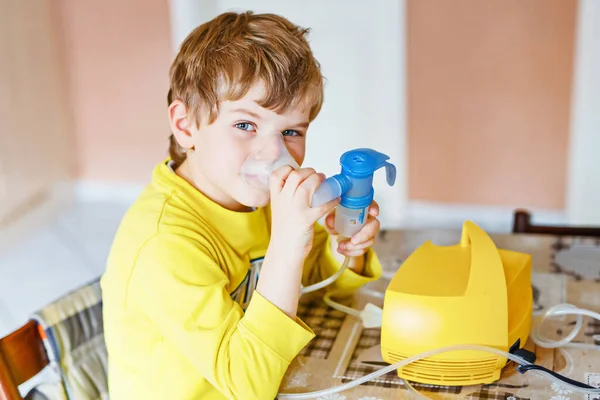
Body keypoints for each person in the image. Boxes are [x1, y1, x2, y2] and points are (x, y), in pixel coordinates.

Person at [101, 10, 383, 400]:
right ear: (186, 126)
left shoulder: (254, 198)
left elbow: (314, 282)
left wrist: (343, 247)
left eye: (290, 131)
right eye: (246, 125)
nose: (274, 155)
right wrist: (286, 244)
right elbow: (249, 387)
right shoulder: (164, 245)